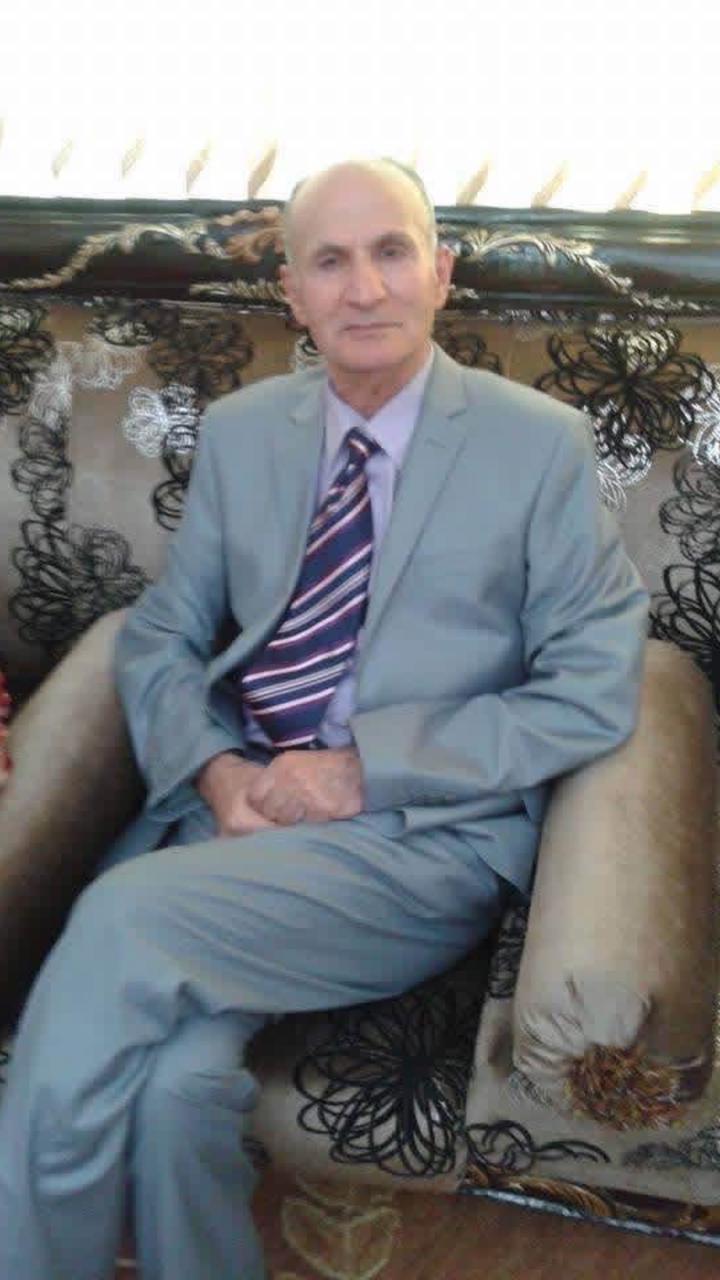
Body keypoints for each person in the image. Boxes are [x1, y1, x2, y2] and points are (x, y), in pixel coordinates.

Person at [0, 158, 649, 1279]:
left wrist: (360, 770)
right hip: (236, 815)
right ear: (292, 293)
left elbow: (594, 683)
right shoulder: (247, 431)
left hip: (417, 838)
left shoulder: (538, 444)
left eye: (392, 252)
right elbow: (163, 632)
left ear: (441, 272)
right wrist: (214, 770)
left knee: (119, 919)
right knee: (177, 1086)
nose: (365, 288)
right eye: (331, 262)